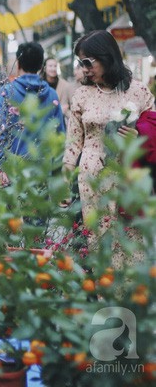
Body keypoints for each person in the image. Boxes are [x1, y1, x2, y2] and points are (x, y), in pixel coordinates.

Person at [62, 30, 155, 265]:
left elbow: (153, 127)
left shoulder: (138, 90)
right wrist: (64, 181)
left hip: (129, 178)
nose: (84, 69)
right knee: (100, 242)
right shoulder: (82, 95)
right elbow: (73, 143)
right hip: (92, 180)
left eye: (87, 62)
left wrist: (140, 136)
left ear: (106, 56)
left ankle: (133, 299)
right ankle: (106, 299)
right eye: (80, 63)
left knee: (132, 239)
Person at [0, 42, 65, 165]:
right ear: (41, 66)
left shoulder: (7, 92)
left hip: (13, 170)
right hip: (43, 169)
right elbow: (60, 134)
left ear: (18, 63)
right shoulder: (52, 94)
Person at [40, 57, 75, 122]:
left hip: (60, 122)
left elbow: (68, 107)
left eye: (55, 66)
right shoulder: (39, 85)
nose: (53, 68)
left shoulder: (65, 85)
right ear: (44, 68)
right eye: (50, 66)